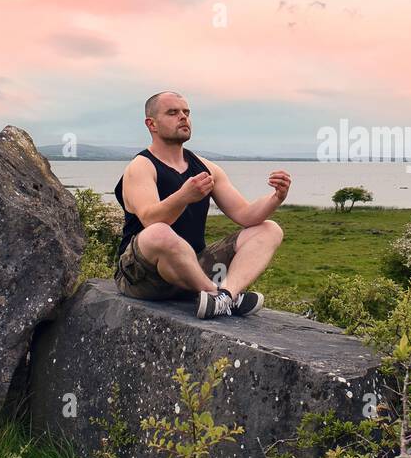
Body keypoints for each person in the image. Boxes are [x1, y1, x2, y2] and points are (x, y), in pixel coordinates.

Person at [113, 90, 289, 319]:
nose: (183, 117)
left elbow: (246, 215)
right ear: (151, 124)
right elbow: (150, 219)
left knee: (269, 229)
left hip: (193, 271)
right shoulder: (141, 167)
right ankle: (216, 294)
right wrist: (184, 196)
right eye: (173, 112)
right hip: (145, 275)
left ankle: (225, 296)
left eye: (186, 112)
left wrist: (276, 197)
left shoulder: (206, 168)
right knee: (159, 232)